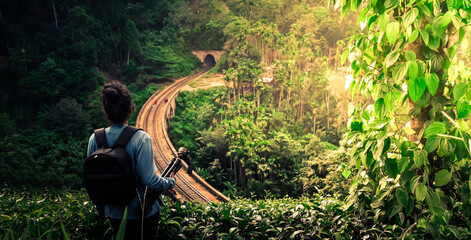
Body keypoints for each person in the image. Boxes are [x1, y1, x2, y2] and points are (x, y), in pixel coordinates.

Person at [87, 81, 175, 240]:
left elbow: (94, 180)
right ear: (130, 110)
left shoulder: (95, 138)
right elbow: (150, 181)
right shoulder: (141, 139)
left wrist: (102, 210)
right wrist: (170, 182)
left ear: (106, 111)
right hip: (143, 213)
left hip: (114, 212)